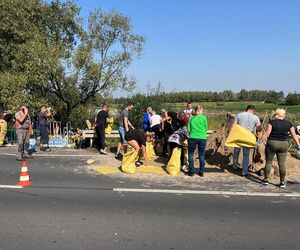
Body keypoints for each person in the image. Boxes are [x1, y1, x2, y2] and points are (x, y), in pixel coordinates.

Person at [261, 108, 300, 188]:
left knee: (268, 162)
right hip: (284, 144)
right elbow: (294, 136)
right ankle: (282, 182)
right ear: (283, 115)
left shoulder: (272, 122)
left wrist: (260, 141)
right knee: (282, 164)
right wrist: (298, 145)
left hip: (272, 143)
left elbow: (267, 133)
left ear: (276, 114)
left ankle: (266, 180)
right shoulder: (289, 123)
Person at [232, 105, 261, 176]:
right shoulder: (255, 117)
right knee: (246, 154)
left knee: (236, 152)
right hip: (248, 137)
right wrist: (257, 136)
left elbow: (234, 126)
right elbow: (259, 128)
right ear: (253, 110)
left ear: (247, 109)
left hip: (238, 136)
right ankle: (244, 171)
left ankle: (234, 167)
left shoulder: (239, 115)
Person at [186, 106, 208, 177]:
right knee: (201, 155)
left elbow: (188, 130)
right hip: (202, 138)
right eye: (201, 110)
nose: (202, 112)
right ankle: (201, 172)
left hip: (193, 137)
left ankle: (191, 171)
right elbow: (206, 128)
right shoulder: (204, 117)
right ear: (198, 111)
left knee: (191, 154)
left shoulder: (191, 118)